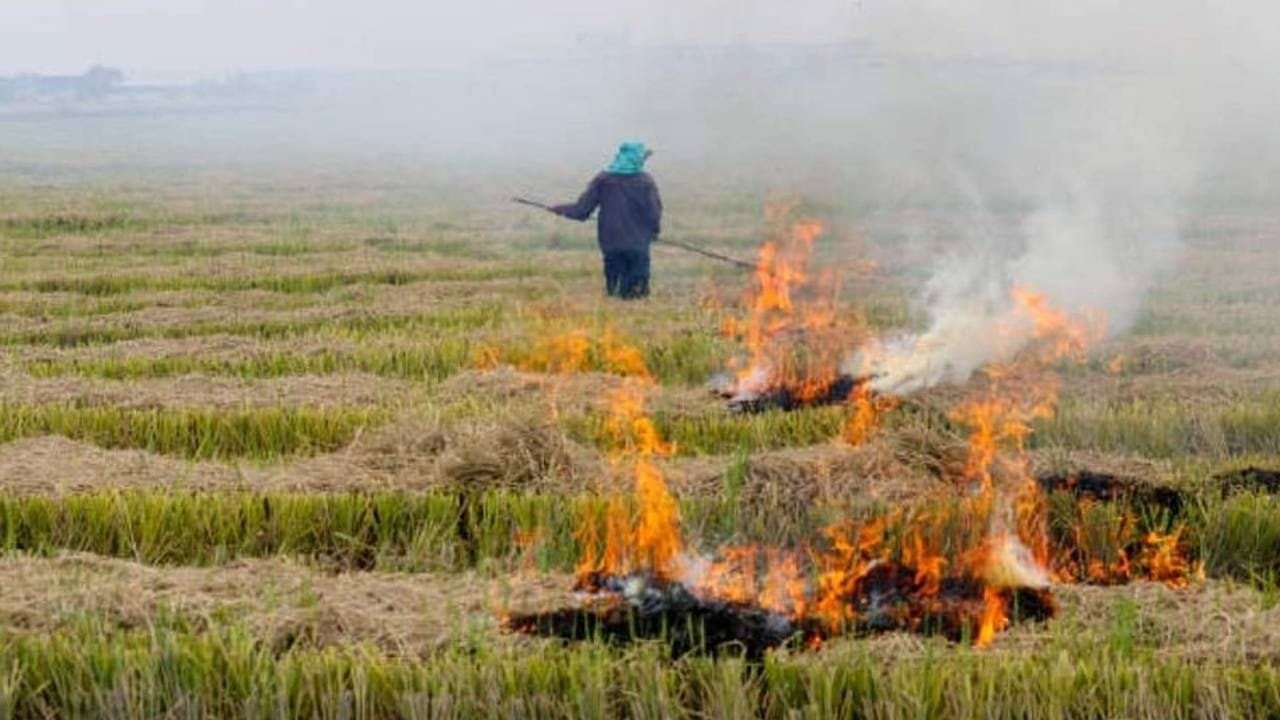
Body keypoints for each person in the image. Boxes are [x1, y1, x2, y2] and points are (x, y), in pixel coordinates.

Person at [551, 141, 663, 299]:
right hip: (638, 244)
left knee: (615, 291)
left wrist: (560, 209)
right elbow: (654, 213)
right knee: (638, 292)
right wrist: (653, 232)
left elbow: (582, 211)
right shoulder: (646, 181)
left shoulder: (603, 179)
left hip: (611, 242)